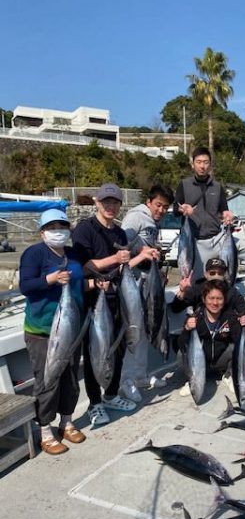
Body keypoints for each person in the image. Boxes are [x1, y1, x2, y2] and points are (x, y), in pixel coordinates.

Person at [72, 183, 156, 426]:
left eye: (115, 202)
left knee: (117, 350)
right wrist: (114, 259)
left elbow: (121, 269)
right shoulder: (84, 230)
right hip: (92, 301)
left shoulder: (119, 234)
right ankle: (95, 404)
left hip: (117, 299)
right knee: (94, 353)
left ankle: (110, 396)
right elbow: (81, 267)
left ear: (120, 205)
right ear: (97, 202)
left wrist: (141, 256)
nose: (110, 206)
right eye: (106, 201)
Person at [19, 209, 86, 455]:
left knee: (69, 377)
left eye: (62, 226)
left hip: (72, 327)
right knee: (47, 381)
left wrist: (96, 283)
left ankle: (66, 422)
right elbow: (25, 286)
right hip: (42, 330)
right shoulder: (34, 253)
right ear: (42, 231)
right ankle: (45, 431)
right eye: (52, 227)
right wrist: (50, 280)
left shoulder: (73, 254)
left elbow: (80, 281)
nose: (58, 231)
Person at [174, 146, 245, 291]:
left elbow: (224, 210)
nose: (202, 166)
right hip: (196, 241)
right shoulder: (184, 185)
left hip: (219, 238)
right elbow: (176, 210)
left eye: (206, 162)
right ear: (192, 163)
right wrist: (183, 209)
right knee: (194, 281)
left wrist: (228, 215)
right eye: (199, 162)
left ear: (210, 164)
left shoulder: (218, 187)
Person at [119, 185, 174, 395]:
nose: (161, 210)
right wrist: (141, 253)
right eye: (158, 205)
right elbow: (123, 247)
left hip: (147, 279)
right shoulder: (135, 217)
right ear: (149, 202)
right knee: (133, 330)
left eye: (165, 207)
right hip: (133, 280)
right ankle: (126, 381)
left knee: (143, 329)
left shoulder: (153, 222)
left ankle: (140, 376)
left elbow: (145, 246)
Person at [178, 280, 244, 396]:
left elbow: (240, 342)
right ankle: (192, 379)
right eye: (211, 298)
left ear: (224, 300)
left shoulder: (231, 317)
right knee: (180, 353)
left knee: (238, 347)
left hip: (221, 362)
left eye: (219, 298)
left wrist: (242, 324)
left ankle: (229, 375)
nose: (215, 302)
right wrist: (187, 329)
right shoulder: (196, 318)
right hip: (201, 363)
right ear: (204, 299)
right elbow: (181, 343)